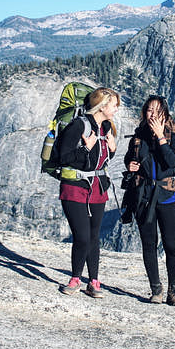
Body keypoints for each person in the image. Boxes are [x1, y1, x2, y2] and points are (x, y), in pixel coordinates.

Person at [57, 87, 120, 298]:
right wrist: (85, 149)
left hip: (97, 188)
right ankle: (75, 278)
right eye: (114, 105)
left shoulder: (106, 127)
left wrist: (112, 149)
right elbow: (63, 156)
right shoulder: (79, 125)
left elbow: (101, 159)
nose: (116, 109)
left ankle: (93, 281)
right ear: (102, 106)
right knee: (82, 236)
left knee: (94, 237)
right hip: (75, 188)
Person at [124, 95, 175, 306]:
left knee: (172, 246)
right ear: (144, 112)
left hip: (167, 197)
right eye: (149, 110)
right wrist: (130, 165)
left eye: (158, 111)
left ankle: (174, 291)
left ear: (165, 114)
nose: (153, 114)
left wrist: (160, 137)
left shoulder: (174, 136)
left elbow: (171, 161)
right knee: (149, 245)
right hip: (144, 197)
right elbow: (130, 157)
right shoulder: (138, 136)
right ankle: (156, 289)